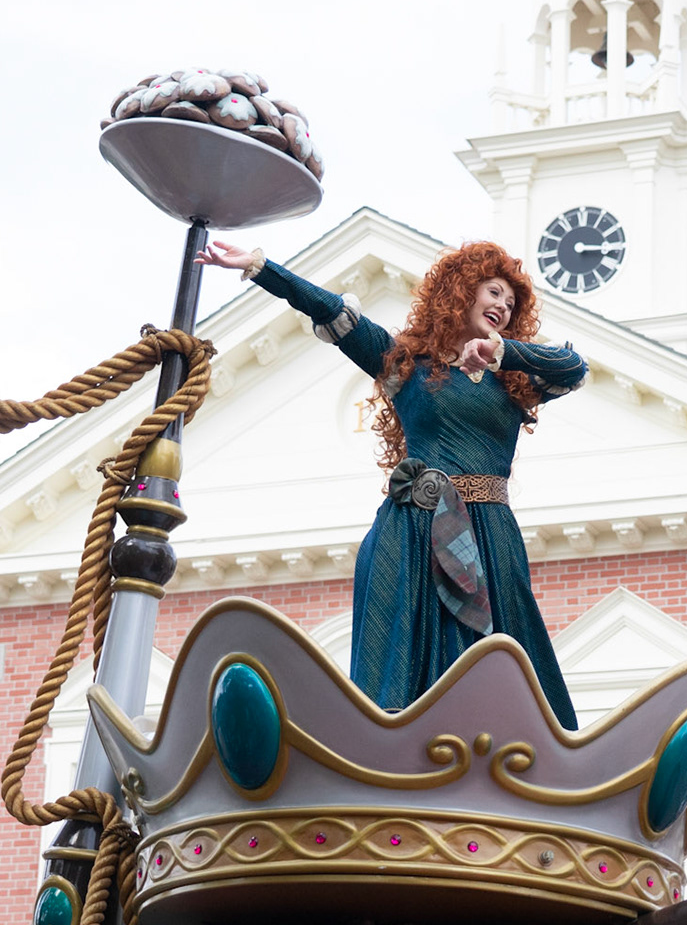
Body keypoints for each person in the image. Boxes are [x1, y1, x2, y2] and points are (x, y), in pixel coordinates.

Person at [198, 239, 586, 728]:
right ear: (462, 292)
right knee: (404, 670)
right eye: (493, 292)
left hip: (491, 535)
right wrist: (260, 267)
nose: (502, 307)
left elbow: (574, 368)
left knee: (507, 661)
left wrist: (501, 352)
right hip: (414, 534)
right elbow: (331, 311)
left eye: (511, 303)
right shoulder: (404, 364)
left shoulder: (515, 380)